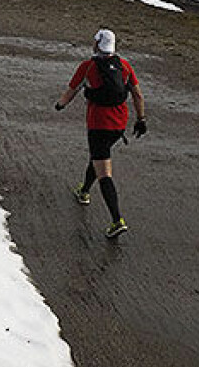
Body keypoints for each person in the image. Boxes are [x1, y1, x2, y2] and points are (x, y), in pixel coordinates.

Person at [54, 28, 146, 237]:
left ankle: (117, 220)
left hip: (98, 125)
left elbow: (71, 91)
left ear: (97, 44)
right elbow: (138, 95)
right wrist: (141, 119)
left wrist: (60, 105)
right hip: (118, 125)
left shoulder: (88, 67)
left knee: (104, 171)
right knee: (98, 157)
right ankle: (84, 191)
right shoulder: (125, 66)